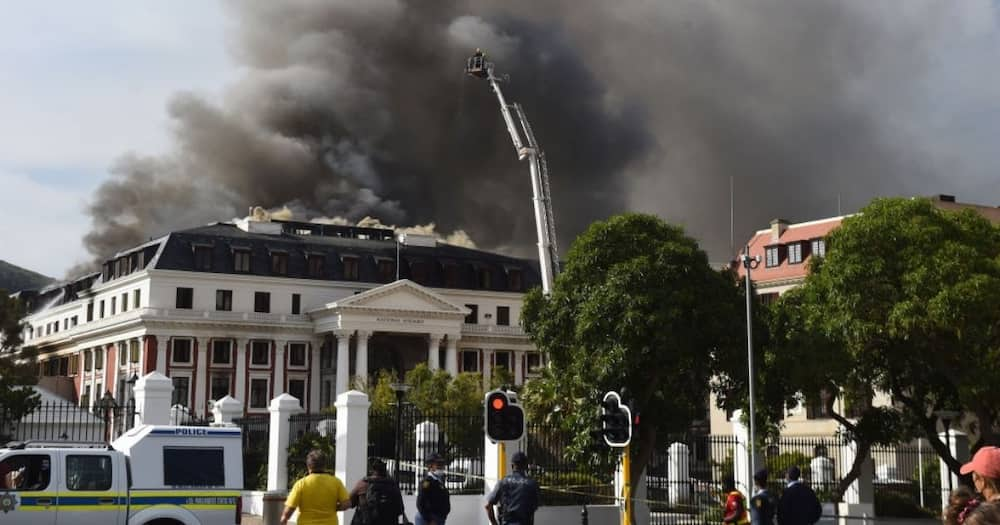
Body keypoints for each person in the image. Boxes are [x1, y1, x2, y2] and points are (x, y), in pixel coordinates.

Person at [281, 449, 351, 525]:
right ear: (324, 465)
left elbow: (290, 509)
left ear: (308, 466)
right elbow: (346, 504)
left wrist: (284, 519)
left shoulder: (301, 484)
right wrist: (335, 508)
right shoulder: (336, 482)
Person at [485, 451, 540, 525]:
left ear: (512, 466)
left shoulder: (503, 482)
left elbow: (488, 506)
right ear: (526, 466)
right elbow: (535, 506)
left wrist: (494, 523)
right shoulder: (532, 484)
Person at [349, 459, 407, 525]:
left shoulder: (363, 484)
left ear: (372, 471)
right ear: (385, 471)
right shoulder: (393, 486)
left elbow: (348, 502)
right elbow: (400, 510)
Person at [415, 452, 450, 525]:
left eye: (442, 464)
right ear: (430, 466)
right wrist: (429, 520)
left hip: (439, 518)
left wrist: (444, 515)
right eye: (438, 464)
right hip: (428, 520)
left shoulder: (439, 481)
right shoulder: (427, 482)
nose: (441, 467)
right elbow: (420, 503)